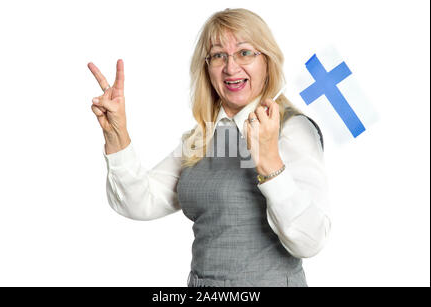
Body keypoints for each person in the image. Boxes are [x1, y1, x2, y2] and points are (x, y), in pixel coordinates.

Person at [88, 8, 331, 287]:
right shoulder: (202, 137)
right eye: (218, 55)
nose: (230, 67)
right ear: (207, 68)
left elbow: (311, 241)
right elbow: (139, 202)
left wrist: (270, 164)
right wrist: (117, 135)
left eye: (245, 52)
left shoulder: (292, 129)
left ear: (267, 62)